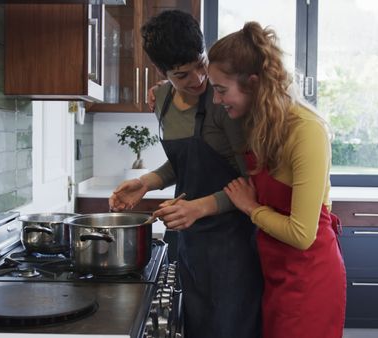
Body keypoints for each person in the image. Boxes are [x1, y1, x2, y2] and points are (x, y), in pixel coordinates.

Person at [108, 10, 262, 338]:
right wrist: (146, 182)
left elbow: (250, 180)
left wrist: (198, 207)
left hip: (232, 243)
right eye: (181, 75)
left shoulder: (223, 101)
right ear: (162, 73)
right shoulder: (161, 99)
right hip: (190, 241)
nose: (198, 80)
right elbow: (184, 164)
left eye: (200, 64)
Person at [208, 22, 347, 338]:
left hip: (310, 280)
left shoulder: (306, 131)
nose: (216, 100)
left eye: (221, 90)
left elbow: (301, 235)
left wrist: (251, 208)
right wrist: (164, 90)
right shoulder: (257, 123)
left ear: (253, 84)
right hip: (276, 276)